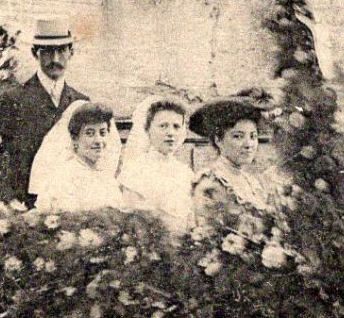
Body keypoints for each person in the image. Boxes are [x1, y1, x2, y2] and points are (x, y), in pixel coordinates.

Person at [0, 17, 90, 205]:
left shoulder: (80, 103)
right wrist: (9, 200)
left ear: (71, 53)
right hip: (26, 207)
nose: (55, 59)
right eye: (48, 52)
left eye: (61, 51)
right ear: (35, 53)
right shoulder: (12, 100)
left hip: (71, 204)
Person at [190, 98, 278, 231]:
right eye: (238, 136)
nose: (248, 144)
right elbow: (208, 237)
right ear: (218, 140)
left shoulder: (252, 182)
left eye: (253, 136)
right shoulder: (210, 182)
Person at [28, 101, 126, 212]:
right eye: (90, 133)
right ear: (75, 139)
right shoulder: (64, 178)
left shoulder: (107, 178)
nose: (98, 140)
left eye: (102, 133)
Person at [117, 97, 194, 230]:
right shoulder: (135, 170)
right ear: (148, 130)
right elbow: (132, 222)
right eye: (163, 126)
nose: (170, 133)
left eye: (176, 127)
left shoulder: (185, 172)